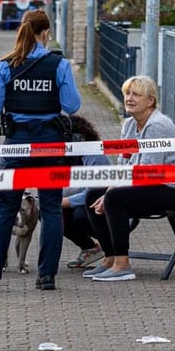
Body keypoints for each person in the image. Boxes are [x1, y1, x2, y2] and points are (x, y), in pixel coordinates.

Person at [0, 8, 81, 292]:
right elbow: (72, 106)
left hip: (17, 146)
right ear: (45, 32)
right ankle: (46, 276)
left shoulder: (4, 66)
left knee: (4, 210)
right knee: (51, 211)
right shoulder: (59, 65)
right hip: (49, 144)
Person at [84, 75, 175, 282]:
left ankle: (122, 264)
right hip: (151, 185)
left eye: (136, 94)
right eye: (127, 93)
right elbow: (124, 164)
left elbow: (147, 172)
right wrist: (108, 189)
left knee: (115, 198)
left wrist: (110, 193)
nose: (129, 98)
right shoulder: (129, 125)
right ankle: (109, 258)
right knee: (93, 194)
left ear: (150, 101)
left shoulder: (158, 126)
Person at [60, 115, 105, 269]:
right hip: (81, 200)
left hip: (103, 205)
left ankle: (112, 248)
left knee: (80, 215)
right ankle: (90, 248)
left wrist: (62, 202)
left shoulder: (94, 156)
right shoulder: (66, 155)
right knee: (47, 212)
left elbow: (91, 193)